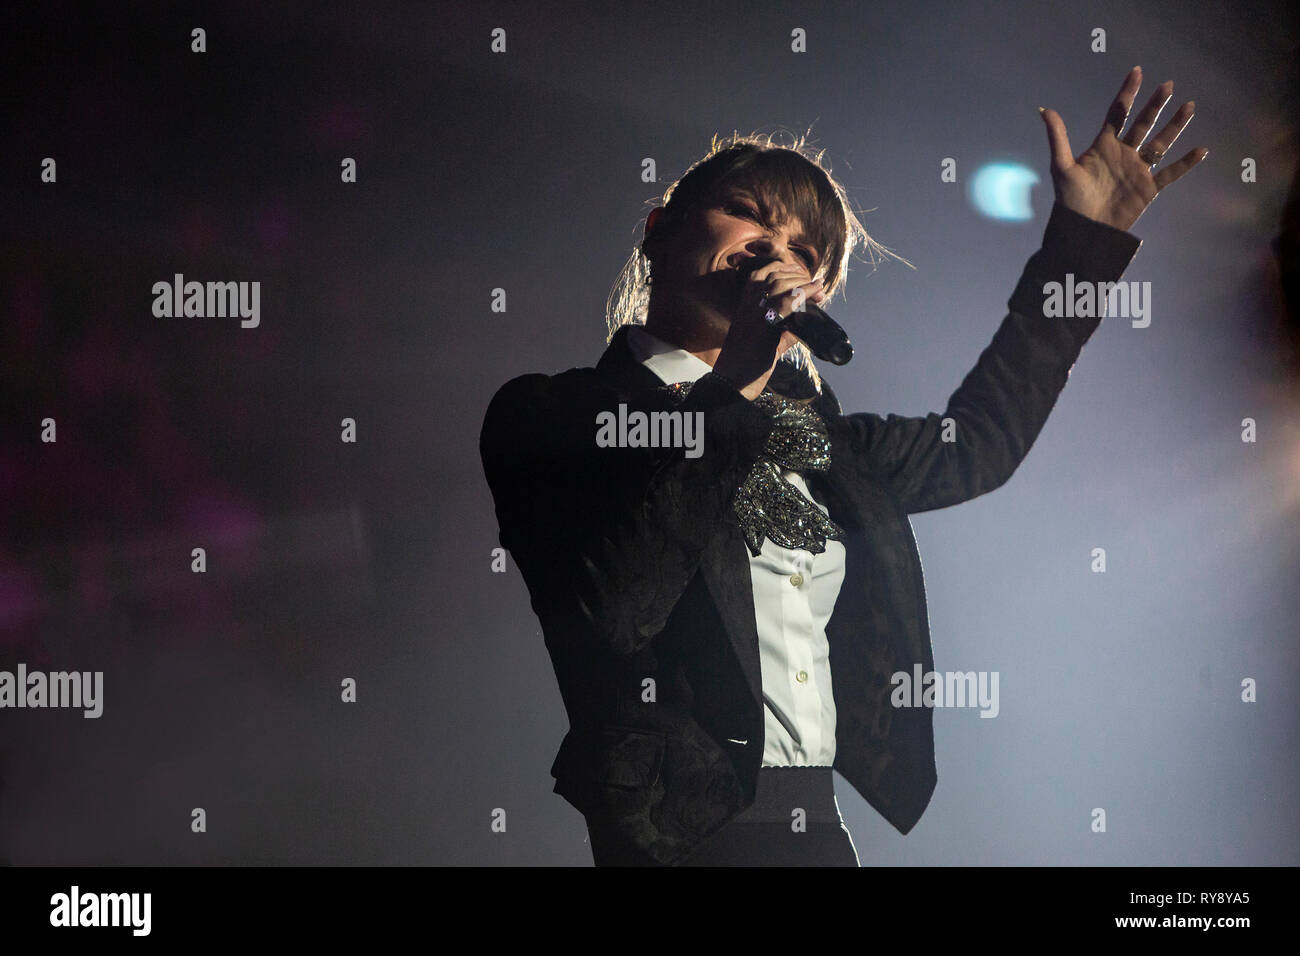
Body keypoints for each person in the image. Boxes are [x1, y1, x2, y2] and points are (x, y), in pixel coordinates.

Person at [480, 68, 1206, 866]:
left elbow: (982, 443)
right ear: (659, 229)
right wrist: (734, 388)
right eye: (747, 217)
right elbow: (617, 607)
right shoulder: (554, 416)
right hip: (674, 836)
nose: (773, 250)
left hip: (816, 829)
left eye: (803, 250)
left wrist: (1082, 242)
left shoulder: (819, 447)